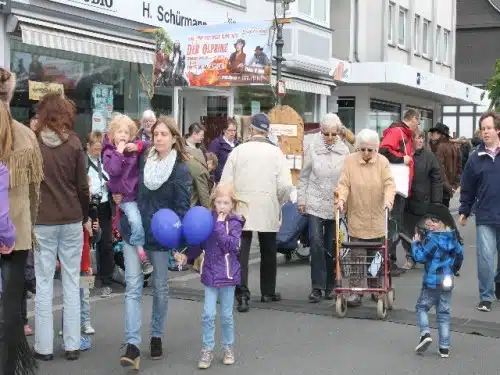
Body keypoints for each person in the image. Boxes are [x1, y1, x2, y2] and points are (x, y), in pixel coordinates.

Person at [118, 116, 191, 369]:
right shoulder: (142, 158)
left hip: (160, 236)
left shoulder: (180, 168)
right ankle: (132, 345)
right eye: (155, 134)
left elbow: (182, 207)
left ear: (173, 138)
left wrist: (180, 245)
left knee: (160, 287)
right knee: (133, 287)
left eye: (163, 134)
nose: (158, 138)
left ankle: (157, 335)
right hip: (135, 232)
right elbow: (124, 180)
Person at [34, 92, 89, 361]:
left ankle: (43, 348)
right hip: (71, 218)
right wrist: (85, 213)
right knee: (70, 281)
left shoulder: (34, 142)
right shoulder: (75, 144)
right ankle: (72, 344)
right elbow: (82, 186)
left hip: (42, 220)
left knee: (44, 283)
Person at [220, 113, 293, 312]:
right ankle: (268, 291)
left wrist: (227, 205)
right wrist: (277, 201)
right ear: (267, 131)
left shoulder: (238, 151)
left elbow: (226, 182)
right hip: (267, 205)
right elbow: (286, 185)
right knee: (268, 249)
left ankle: (242, 294)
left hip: (241, 206)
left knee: (241, 252)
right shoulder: (276, 153)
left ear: (251, 130)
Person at [0, 68, 43, 375]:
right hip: (15, 235)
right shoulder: (25, 135)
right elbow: (34, 192)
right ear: (11, 95)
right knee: (12, 310)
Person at [336, 129, 396, 307]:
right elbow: (344, 184)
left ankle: (376, 288)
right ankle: (356, 292)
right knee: (357, 257)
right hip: (358, 217)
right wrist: (341, 199)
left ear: (376, 149)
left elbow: (389, 184)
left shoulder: (382, 162)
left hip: (377, 218)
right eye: (363, 149)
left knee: (376, 257)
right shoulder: (349, 162)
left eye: (370, 150)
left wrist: (388, 200)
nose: (366, 153)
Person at [189, 184, 244, 369]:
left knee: (227, 315)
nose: (222, 206)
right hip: (211, 273)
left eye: (226, 202)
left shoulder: (235, 223)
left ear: (232, 204)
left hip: (228, 275)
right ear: (214, 202)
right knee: (208, 314)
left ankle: (228, 347)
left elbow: (230, 246)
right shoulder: (208, 220)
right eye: (219, 202)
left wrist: (220, 226)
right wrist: (187, 255)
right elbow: (200, 242)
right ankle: (207, 349)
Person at [297, 113, 349, 302]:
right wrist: (301, 200)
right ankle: (317, 287)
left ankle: (330, 285)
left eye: (333, 134)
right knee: (316, 243)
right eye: (325, 133)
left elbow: (347, 180)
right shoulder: (313, 148)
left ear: (338, 133)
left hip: (335, 204)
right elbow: (304, 176)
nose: (329, 138)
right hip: (315, 201)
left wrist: (346, 202)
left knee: (332, 245)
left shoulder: (345, 151)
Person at [459, 111, 500, 312]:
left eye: (489, 128)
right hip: (485, 215)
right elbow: (468, 187)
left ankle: (498, 282)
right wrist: (465, 210)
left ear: (498, 129)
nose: (485, 132)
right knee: (485, 257)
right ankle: (486, 296)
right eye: (483, 129)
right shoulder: (475, 158)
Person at [102, 114, 153, 275]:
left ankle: (141, 251)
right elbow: (114, 170)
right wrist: (119, 152)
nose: (123, 135)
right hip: (124, 197)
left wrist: (137, 146)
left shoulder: (133, 148)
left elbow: (151, 145)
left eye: (126, 132)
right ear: (111, 135)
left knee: (137, 222)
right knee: (135, 221)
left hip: (136, 193)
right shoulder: (109, 153)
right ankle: (141, 253)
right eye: (119, 132)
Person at [412, 216, 463, 358]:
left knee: (421, 307)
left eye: (434, 220)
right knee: (444, 314)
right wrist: (454, 269)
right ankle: (444, 347)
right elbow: (459, 254)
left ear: (443, 223)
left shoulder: (432, 240)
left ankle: (425, 334)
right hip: (447, 281)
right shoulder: (453, 238)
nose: (430, 224)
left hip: (432, 282)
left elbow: (420, 257)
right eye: (428, 221)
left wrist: (416, 243)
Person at [379, 108, 420, 276]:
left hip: (399, 186)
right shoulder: (398, 132)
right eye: (418, 121)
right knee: (393, 224)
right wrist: (401, 159)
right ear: (412, 119)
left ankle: (389, 261)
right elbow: (383, 151)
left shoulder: (403, 133)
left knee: (394, 223)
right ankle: (387, 262)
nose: (418, 124)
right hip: (396, 187)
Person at [401, 130, 443, 269]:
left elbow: (437, 180)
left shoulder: (429, 157)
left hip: (423, 200)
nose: (420, 141)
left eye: (422, 138)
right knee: (406, 232)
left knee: (423, 230)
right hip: (405, 200)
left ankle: (426, 255)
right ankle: (410, 256)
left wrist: (436, 202)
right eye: (416, 138)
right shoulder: (402, 155)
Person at [86, 131, 114, 297]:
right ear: (88, 146)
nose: (97, 152)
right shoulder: (82, 162)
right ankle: (85, 280)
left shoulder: (105, 160)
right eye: (95, 149)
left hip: (104, 205)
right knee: (86, 246)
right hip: (88, 207)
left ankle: (106, 280)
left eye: (100, 149)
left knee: (106, 243)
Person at [428, 123, 460, 208]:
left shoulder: (439, 147)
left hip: (439, 189)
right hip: (448, 188)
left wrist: (449, 187)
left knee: (438, 215)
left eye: (434, 133)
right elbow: (459, 168)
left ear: (440, 134)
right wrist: (454, 185)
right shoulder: (454, 146)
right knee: (444, 214)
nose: (432, 135)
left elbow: (439, 170)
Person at [208, 119, 240, 183]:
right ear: (224, 130)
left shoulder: (238, 145)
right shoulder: (216, 143)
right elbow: (211, 164)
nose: (233, 132)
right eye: (230, 130)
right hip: (220, 181)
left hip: (235, 181)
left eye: (234, 130)